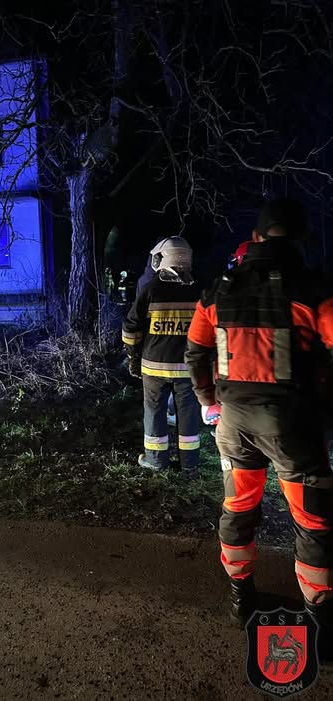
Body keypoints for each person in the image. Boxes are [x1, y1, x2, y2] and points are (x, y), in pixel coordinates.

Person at [184, 198, 333, 661]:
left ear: (256, 237)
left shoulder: (217, 290)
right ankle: (320, 622)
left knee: (238, 508)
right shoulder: (314, 290)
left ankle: (241, 599)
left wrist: (209, 402)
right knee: (313, 522)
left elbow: (195, 352)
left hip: (233, 423)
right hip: (292, 428)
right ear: (300, 239)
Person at [123, 236, 201, 478]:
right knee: (188, 414)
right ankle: (190, 465)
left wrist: (133, 356)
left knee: (155, 412)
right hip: (188, 368)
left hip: (154, 367)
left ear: (163, 258)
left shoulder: (150, 289)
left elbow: (130, 329)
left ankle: (156, 460)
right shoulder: (200, 291)